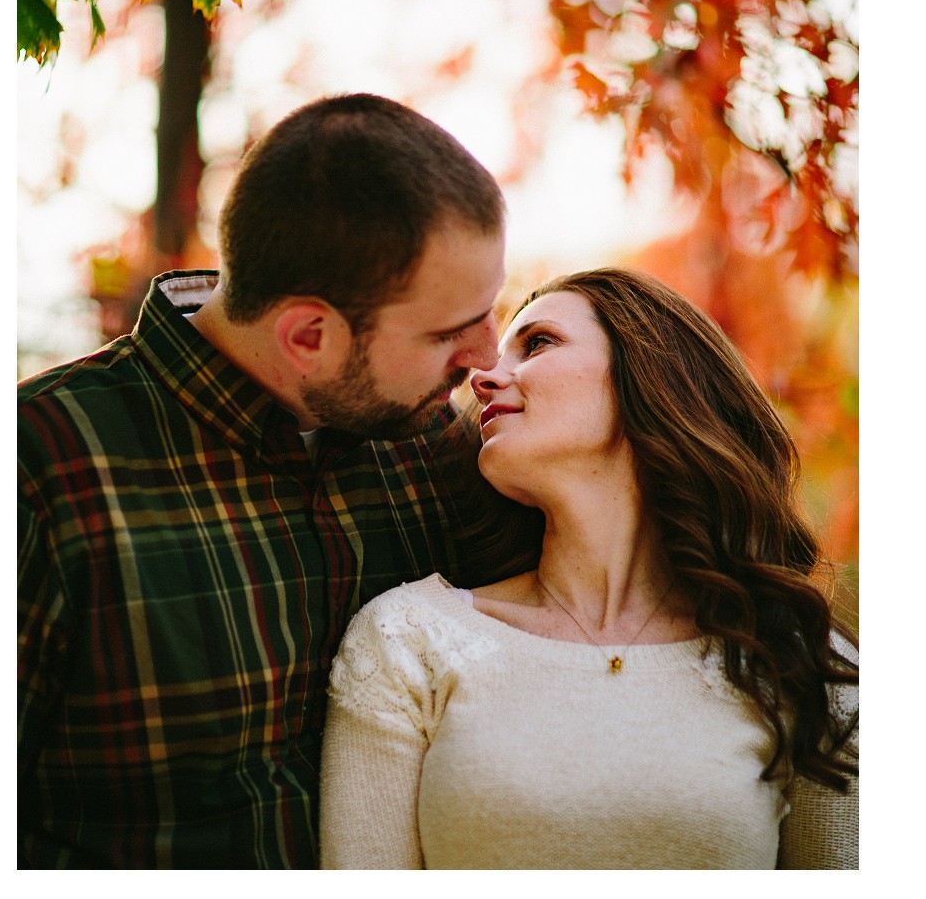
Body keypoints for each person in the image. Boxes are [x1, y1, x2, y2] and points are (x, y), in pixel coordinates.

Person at [19, 93, 521, 868]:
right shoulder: (39, 462)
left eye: (490, 313)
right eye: (450, 331)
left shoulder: (438, 446)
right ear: (309, 337)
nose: (486, 357)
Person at [319, 268, 858, 868]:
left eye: (538, 342)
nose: (487, 377)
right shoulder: (406, 641)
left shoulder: (804, 668)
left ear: (652, 376)